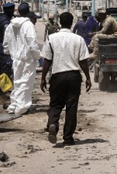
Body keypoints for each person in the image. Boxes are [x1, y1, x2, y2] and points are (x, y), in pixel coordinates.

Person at [40, 12, 91, 145]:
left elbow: (47, 60)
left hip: (57, 76)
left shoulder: (51, 38)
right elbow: (83, 61)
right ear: (71, 23)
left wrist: (43, 78)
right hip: (74, 76)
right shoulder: (78, 39)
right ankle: (68, 137)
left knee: (56, 104)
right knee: (71, 107)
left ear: (60, 22)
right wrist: (88, 78)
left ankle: (53, 124)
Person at [3, 3, 40, 115]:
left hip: (16, 58)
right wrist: (37, 56)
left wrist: (8, 52)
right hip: (26, 59)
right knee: (26, 83)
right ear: (28, 12)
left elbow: (6, 42)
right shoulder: (28, 25)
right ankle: (21, 107)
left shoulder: (11, 25)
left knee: (17, 82)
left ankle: (13, 105)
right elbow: (32, 43)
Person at [0, 3, 15, 95]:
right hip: (4, 50)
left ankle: (3, 90)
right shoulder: (6, 23)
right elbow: (7, 38)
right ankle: (3, 92)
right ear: (10, 11)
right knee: (5, 71)